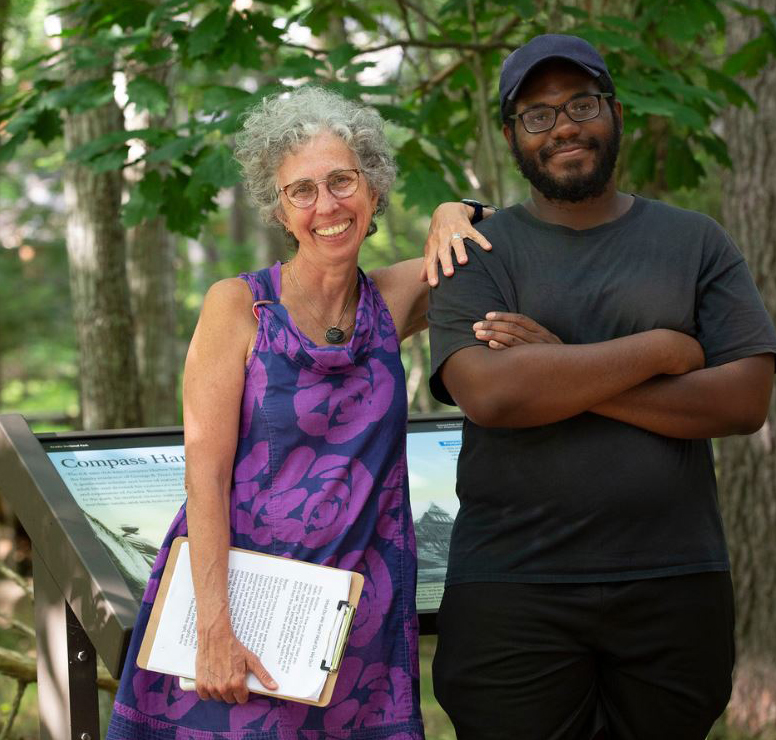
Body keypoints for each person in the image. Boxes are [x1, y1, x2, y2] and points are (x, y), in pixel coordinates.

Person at [426, 34, 776, 740]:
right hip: (509, 585)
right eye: (536, 114)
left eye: (581, 104)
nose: (562, 125)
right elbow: (493, 396)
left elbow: (742, 401)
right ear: (510, 135)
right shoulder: (474, 249)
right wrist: (660, 350)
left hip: (674, 580)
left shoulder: (694, 242)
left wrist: (557, 361)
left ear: (614, 112)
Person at [107, 85, 492, 739]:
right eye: (301, 191)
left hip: (354, 625)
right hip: (244, 613)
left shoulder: (391, 299)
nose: (326, 206)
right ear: (281, 212)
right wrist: (214, 630)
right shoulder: (239, 307)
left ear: (372, 190)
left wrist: (455, 210)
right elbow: (204, 476)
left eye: (342, 181)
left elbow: (506, 238)